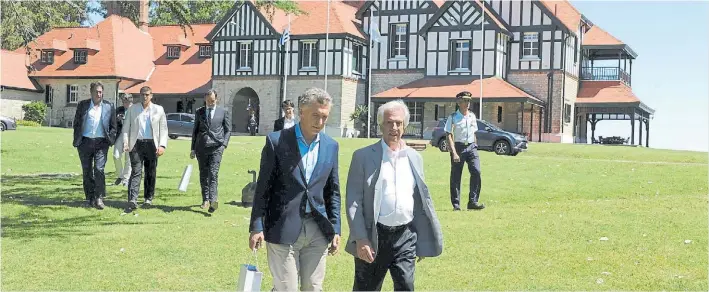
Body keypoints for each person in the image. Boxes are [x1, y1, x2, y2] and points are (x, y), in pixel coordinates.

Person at [249, 87, 341, 292]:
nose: (320, 122)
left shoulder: (331, 146)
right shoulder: (276, 141)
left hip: (317, 229)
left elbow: (332, 191)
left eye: (324, 117)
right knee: (286, 288)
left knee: (313, 288)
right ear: (301, 111)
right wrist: (256, 226)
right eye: (315, 116)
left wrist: (335, 227)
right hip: (282, 227)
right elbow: (263, 188)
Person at [345, 99, 443, 291]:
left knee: (406, 286)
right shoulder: (363, 157)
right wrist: (361, 238)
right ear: (381, 124)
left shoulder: (415, 158)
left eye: (398, 123)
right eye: (389, 122)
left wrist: (421, 237)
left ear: (405, 125)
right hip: (374, 236)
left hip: (405, 236)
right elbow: (353, 201)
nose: (394, 127)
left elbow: (421, 201)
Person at [72, 81, 118, 210]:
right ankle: (90, 197)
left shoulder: (109, 106)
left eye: (101, 91)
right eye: (97, 92)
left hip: (101, 143)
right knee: (87, 172)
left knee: (99, 169)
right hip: (85, 142)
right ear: (91, 92)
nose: (99, 94)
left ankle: (99, 197)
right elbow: (76, 123)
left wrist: (111, 140)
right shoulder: (83, 105)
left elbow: (114, 126)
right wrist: (78, 140)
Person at [122, 86, 168, 211]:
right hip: (136, 144)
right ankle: (132, 199)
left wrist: (162, 145)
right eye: (142, 94)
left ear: (151, 95)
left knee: (150, 172)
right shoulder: (133, 109)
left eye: (147, 94)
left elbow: (163, 129)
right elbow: (126, 128)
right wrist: (126, 143)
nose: (144, 97)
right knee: (136, 171)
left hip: (152, 144)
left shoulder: (158, 110)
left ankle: (148, 198)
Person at [190, 89, 231, 213]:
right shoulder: (199, 112)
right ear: (205, 100)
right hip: (201, 147)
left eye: (212, 101)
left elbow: (228, 130)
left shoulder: (223, 112)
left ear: (216, 99)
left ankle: (213, 200)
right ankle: (205, 199)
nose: (210, 103)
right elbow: (195, 131)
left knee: (213, 174)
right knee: (203, 174)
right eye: (208, 101)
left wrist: (224, 144)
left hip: (217, 147)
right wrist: (192, 148)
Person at [445, 91, 485, 211]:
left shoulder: (472, 116)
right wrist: (454, 153)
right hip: (458, 147)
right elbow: (449, 135)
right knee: (456, 177)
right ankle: (456, 204)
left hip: (471, 147)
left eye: (469, 101)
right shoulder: (453, 117)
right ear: (459, 102)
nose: (467, 103)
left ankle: (473, 201)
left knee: (476, 172)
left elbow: (474, 132)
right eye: (465, 100)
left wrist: (475, 146)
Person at [113, 94, 132, 187]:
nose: (125, 104)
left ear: (131, 101)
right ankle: (120, 176)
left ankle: (126, 178)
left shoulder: (135, 110)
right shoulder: (119, 109)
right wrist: (117, 119)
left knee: (128, 158)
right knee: (116, 155)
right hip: (120, 134)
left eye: (127, 102)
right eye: (124, 102)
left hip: (131, 135)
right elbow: (113, 121)